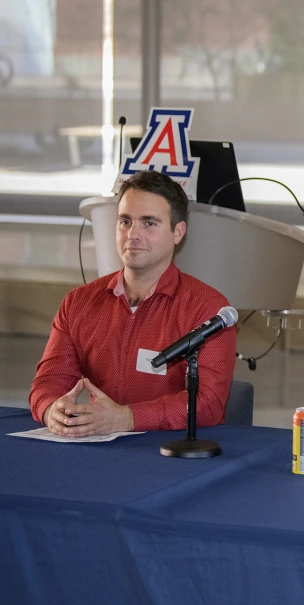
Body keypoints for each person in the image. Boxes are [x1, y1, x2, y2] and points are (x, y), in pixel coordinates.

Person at [29, 171, 236, 436]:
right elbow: (48, 382)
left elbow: (208, 404)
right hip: (99, 449)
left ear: (178, 232)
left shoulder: (208, 309)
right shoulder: (78, 302)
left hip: (172, 457)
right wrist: (51, 410)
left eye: (149, 223)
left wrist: (126, 418)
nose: (133, 234)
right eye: (125, 221)